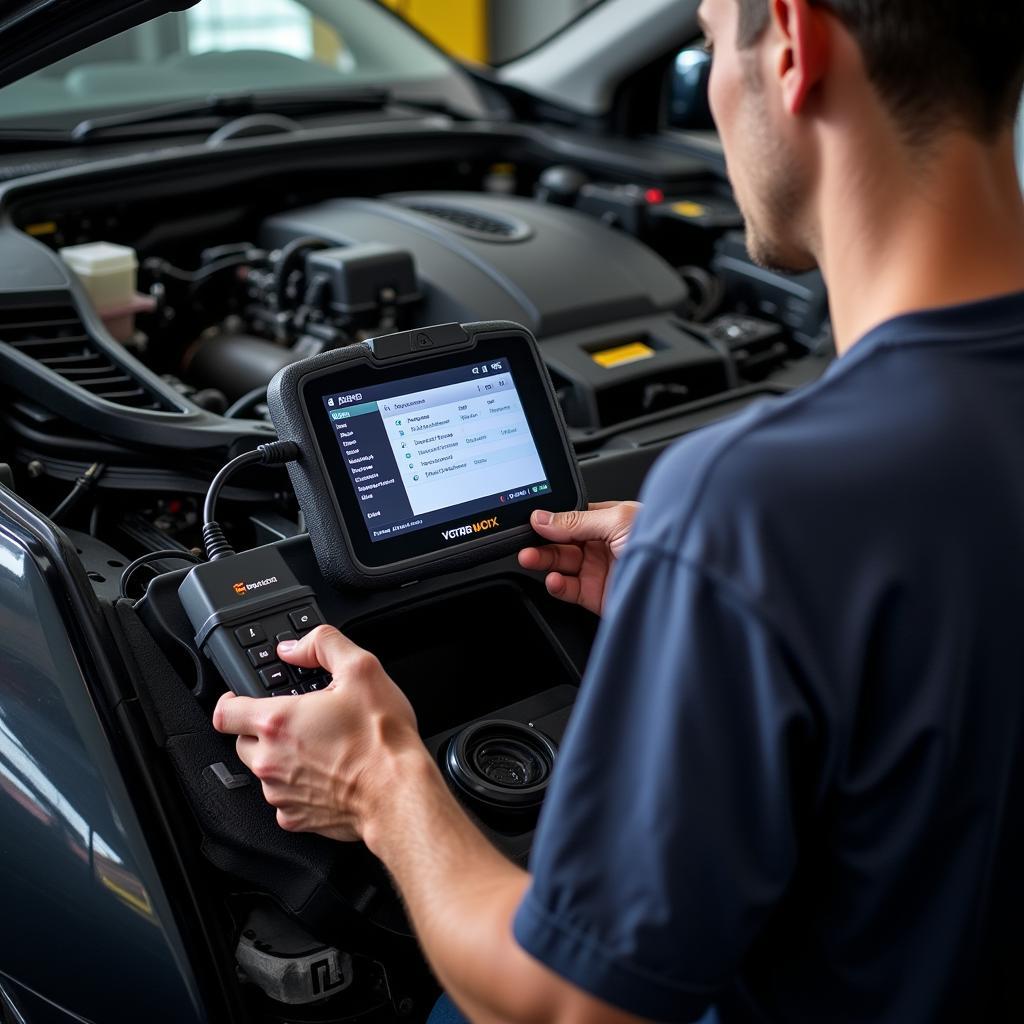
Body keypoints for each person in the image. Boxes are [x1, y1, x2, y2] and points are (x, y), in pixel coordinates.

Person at [213, 0, 1024, 1020]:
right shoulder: (777, 526)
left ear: (789, 43)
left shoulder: (759, 504)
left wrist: (383, 781)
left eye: (702, 40)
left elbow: (565, 1004)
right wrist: (738, 598)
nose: (710, 95)